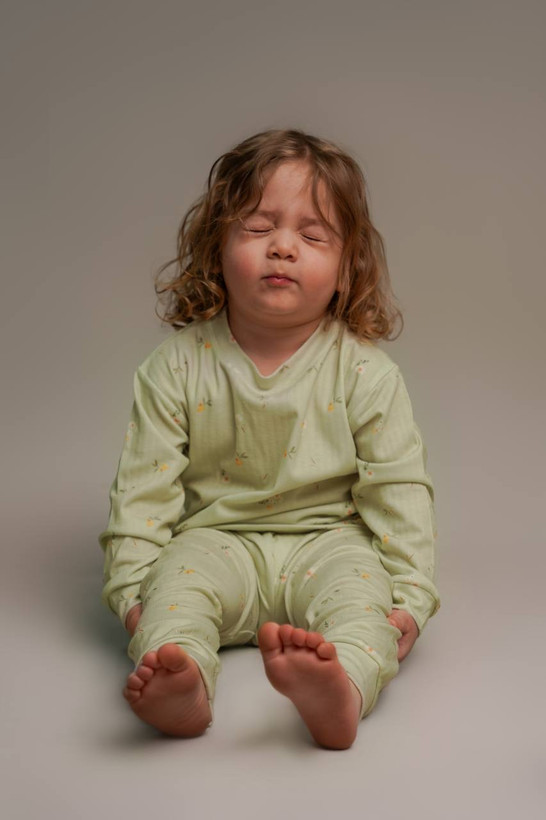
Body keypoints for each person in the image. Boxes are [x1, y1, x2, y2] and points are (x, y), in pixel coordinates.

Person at [99, 128, 440, 750]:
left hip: (331, 543)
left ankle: (341, 689)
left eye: (313, 236)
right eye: (258, 227)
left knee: (363, 609)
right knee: (175, 597)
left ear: (347, 267)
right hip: (213, 542)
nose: (283, 247)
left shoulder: (365, 373)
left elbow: (400, 494)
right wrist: (133, 595)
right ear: (216, 247)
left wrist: (411, 600)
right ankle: (183, 682)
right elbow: (141, 494)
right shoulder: (175, 367)